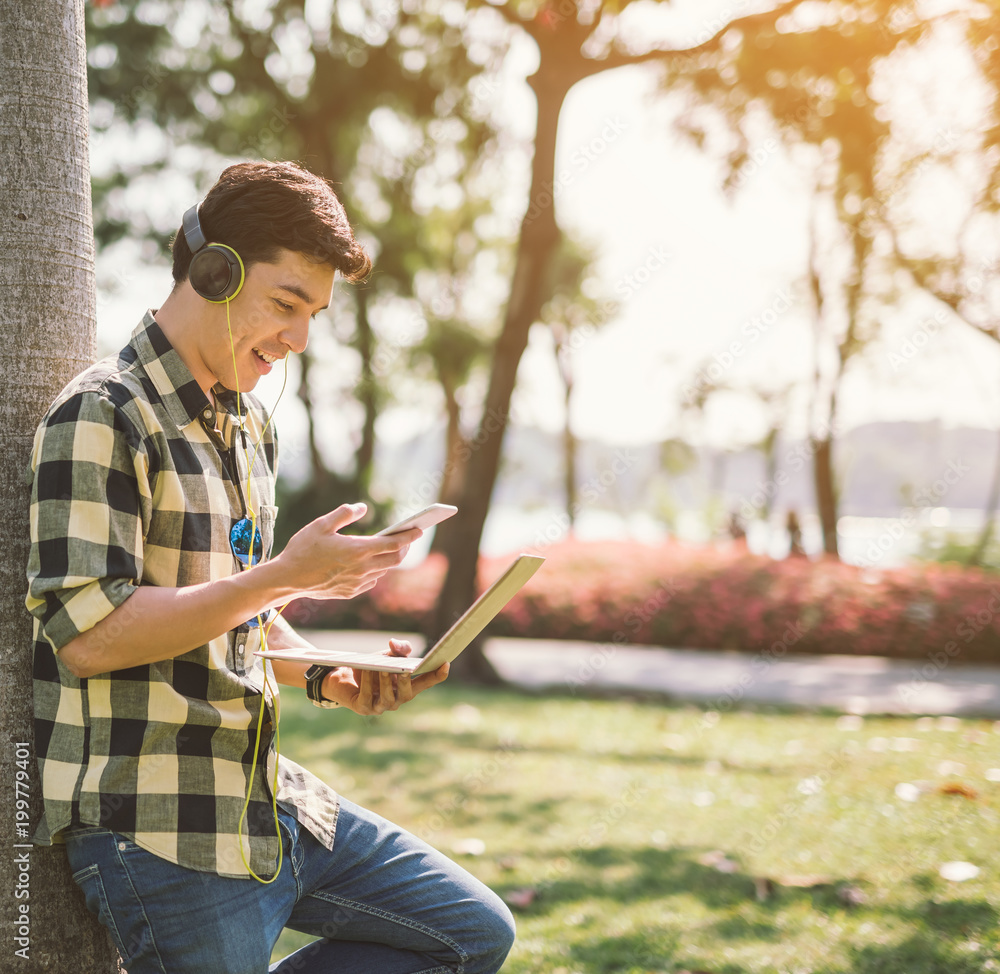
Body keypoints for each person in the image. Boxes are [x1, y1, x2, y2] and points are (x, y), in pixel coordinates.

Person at [25, 161, 516, 974]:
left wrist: (328, 673)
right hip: (159, 819)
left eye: (314, 314)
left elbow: (233, 610)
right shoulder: (103, 415)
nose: (299, 339)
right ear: (213, 272)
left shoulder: (251, 425)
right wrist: (285, 575)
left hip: (265, 796)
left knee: (473, 935)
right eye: (287, 304)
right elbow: (90, 635)